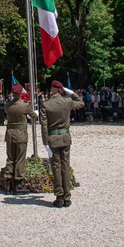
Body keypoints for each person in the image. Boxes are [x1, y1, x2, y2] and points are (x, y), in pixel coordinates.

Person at [40, 80, 85, 208]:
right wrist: (72, 93)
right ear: (61, 90)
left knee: (56, 167)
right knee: (65, 166)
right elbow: (81, 103)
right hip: (65, 138)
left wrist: (45, 143)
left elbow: (43, 126)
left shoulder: (46, 104)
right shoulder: (67, 101)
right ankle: (67, 197)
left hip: (53, 139)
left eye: (51, 88)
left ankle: (59, 196)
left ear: (54, 89)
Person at [2, 84, 37, 194]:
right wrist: (35, 113)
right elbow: (33, 116)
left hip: (10, 134)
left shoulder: (8, 105)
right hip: (21, 134)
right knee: (20, 159)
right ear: (20, 93)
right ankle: (18, 183)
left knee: (10, 158)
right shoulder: (24, 105)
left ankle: (7, 183)